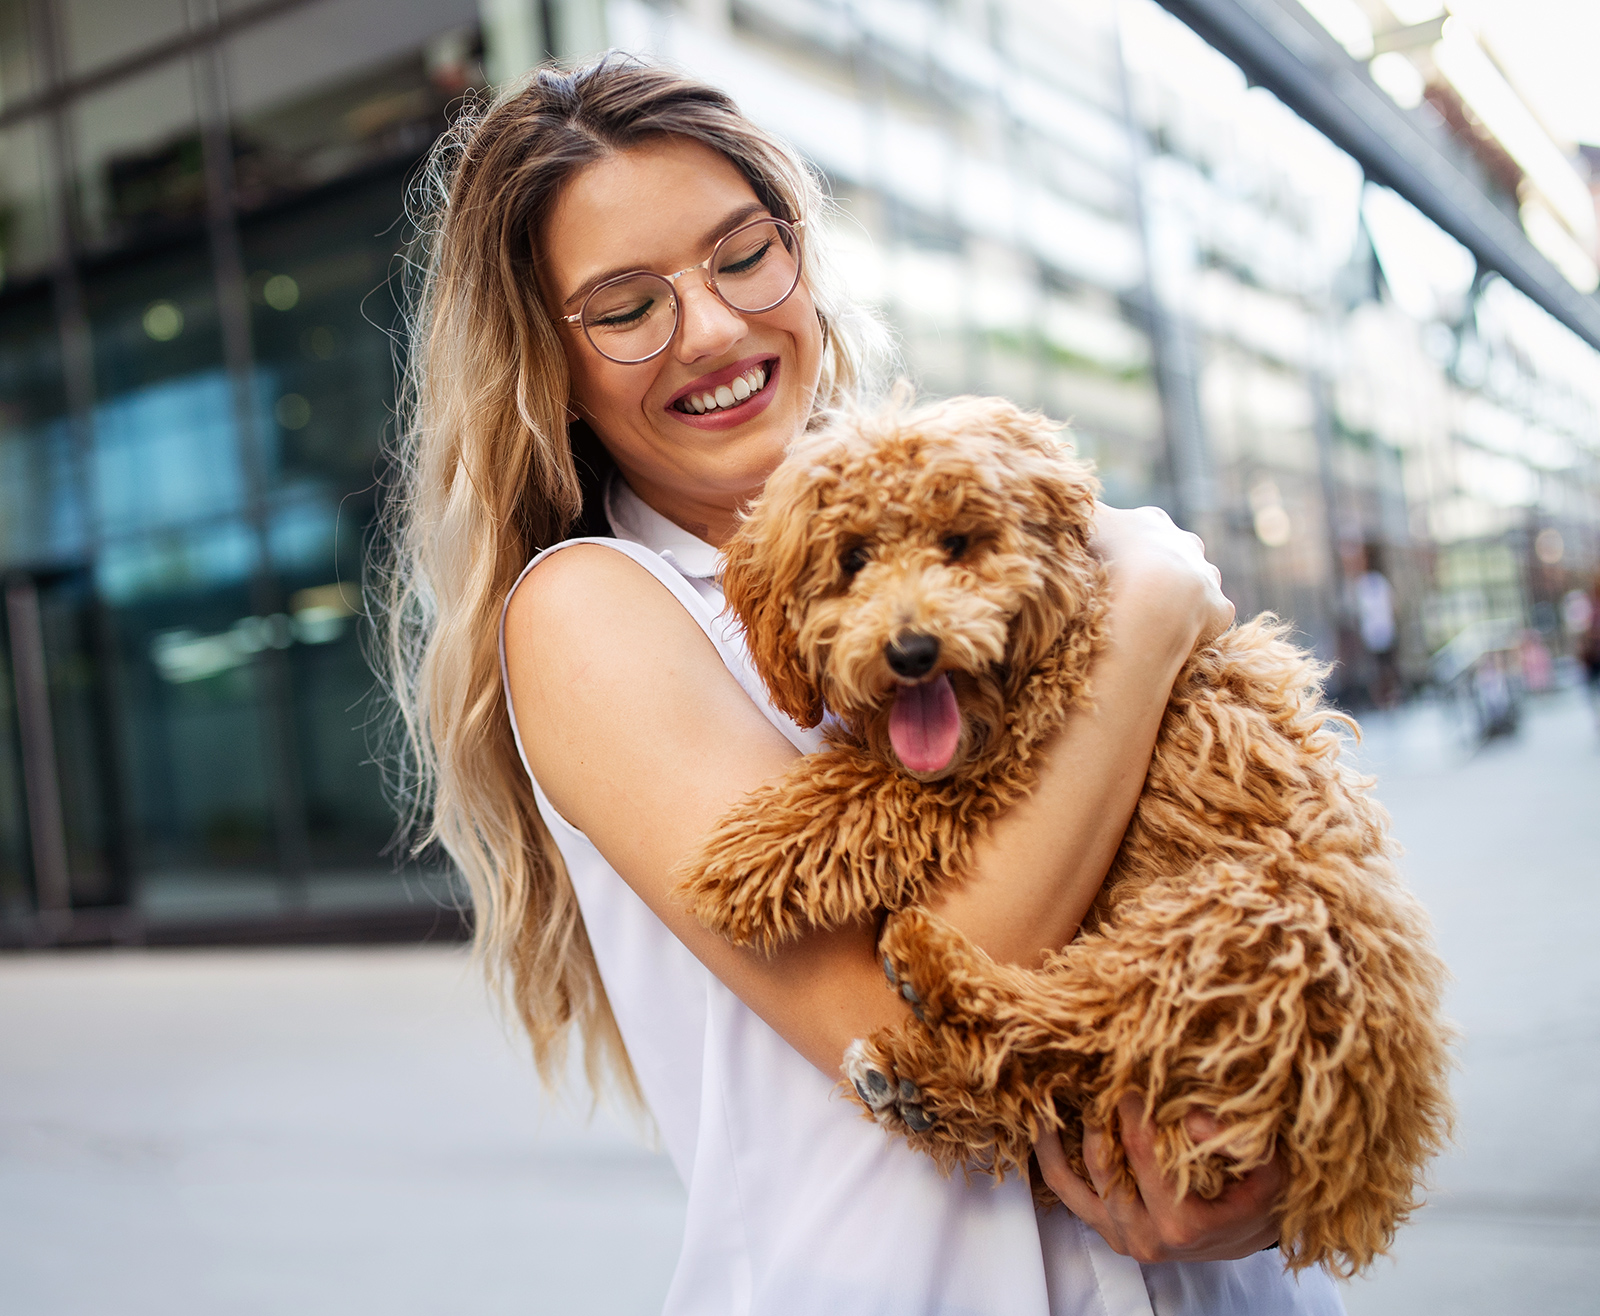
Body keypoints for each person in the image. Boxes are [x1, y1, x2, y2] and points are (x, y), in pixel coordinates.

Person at [379, 54, 1344, 1315]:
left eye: (742, 255)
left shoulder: (963, 506)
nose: (715, 328)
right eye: (625, 307)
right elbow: (910, 1029)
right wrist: (1151, 610)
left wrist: (1280, 1155)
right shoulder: (591, 610)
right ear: (545, 364)